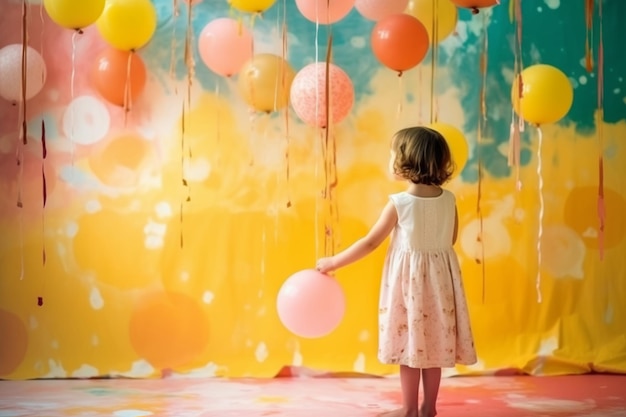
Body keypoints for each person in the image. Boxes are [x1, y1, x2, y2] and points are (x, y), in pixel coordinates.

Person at [316, 126, 477, 417]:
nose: (389, 158)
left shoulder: (399, 203)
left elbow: (370, 242)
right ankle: (429, 408)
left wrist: (333, 262)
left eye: (393, 153)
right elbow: (450, 240)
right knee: (433, 348)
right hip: (441, 285)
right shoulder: (449, 200)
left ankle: (408, 410)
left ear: (406, 161)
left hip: (409, 286)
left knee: (410, 347)